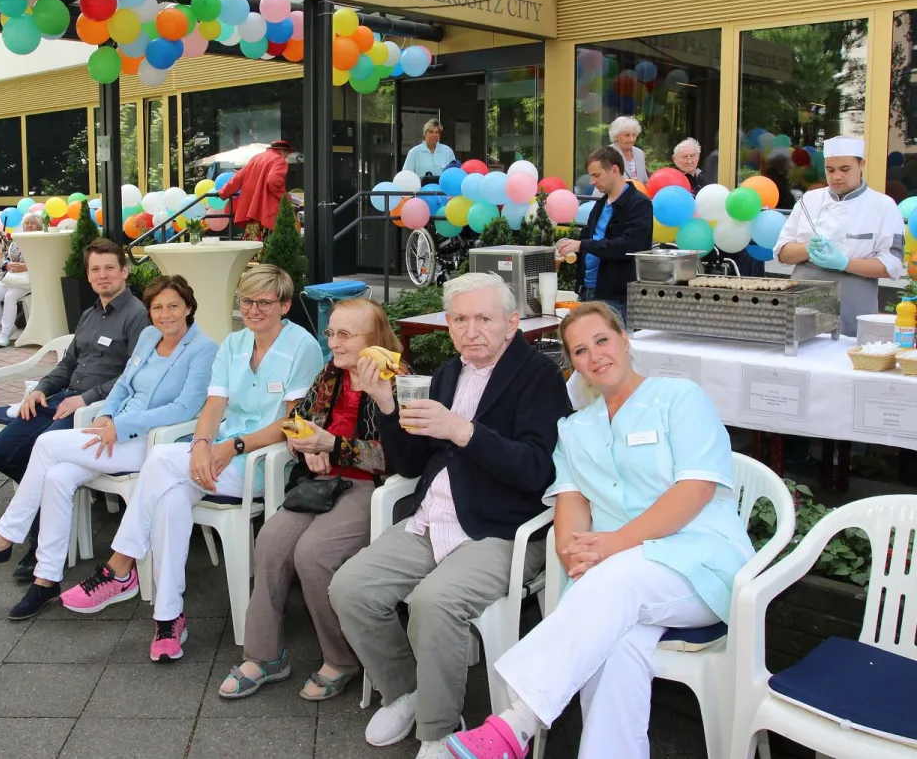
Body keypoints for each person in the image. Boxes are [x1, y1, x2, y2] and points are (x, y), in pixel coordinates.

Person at [446, 302, 754, 759]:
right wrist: (574, 552)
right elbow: (571, 501)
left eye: (602, 341)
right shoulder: (574, 430)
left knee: (616, 578)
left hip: (701, 568)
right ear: (574, 365)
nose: (595, 356)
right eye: (581, 351)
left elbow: (695, 490)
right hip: (618, 579)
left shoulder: (679, 399)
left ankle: (517, 723)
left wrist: (611, 547)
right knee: (618, 650)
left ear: (625, 339)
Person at [328, 273, 572, 759]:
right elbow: (414, 463)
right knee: (350, 588)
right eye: (460, 319)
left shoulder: (538, 378)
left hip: (499, 527)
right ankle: (407, 690)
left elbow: (537, 471)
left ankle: (438, 731)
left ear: (512, 323)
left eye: (484, 318)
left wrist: (463, 431)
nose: (471, 329)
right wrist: (385, 405)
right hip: (433, 516)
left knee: (434, 602)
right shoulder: (446, 373)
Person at [59, 264, 324, 662]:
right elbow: (214, 404)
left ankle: (119, 567)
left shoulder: (301, 347)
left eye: (264, 302)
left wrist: (230, 446)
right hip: (216, 454)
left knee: (162, 456)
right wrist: (202, 444)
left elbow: (292, 423)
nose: (253, 310)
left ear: (284, 305)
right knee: (169, 502)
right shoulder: (234, 345)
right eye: (246, 301)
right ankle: (169, 620)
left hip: (260, 463)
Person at [0, 275, 217, 620]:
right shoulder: (149, 336)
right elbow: (122, 384)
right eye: (158, 307)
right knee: (56, 477)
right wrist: (105, 415)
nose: (165, 314)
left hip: (151, 442)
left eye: (173, 306)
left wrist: (122, 425)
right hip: (113, 432)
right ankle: (46, 580)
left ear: (189, 307)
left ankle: (1, 538)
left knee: (46, 443)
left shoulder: (204, 350)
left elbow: (186, 409)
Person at [218, 298, 404, 702]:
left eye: (344, 335)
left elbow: (395, 456)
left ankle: (342, 659)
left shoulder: (394, 381)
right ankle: (264, 656)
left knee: (314, 553)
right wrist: (307, 444)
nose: (333, 342)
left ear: (373, 339)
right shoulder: (330, 375)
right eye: (331, 332)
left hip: (369, 489)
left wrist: (333, 447)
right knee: (270, 542)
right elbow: (296, 419)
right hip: (320, 483)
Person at [0, 238, 150, 581]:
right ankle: (42, 512)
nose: (102, 276)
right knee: (0, 451)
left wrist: (87, 399)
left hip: (94, 410)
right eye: (95, 270)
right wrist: (42, 389)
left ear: (124, 271)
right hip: (61, 401)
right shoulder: (89, 314)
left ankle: (37, 545)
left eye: (109, 268)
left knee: (42, 458)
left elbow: (136, 374)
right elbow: (69, 362)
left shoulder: (138, 317)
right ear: (88, 276)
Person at [774, 135, 906, 335]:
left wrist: (844, 262)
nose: (836, 177)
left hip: (853, 302)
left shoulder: (884, 206)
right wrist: (807, 248)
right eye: (830, 170)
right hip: (802, 300)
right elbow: (782, 253)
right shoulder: (809, 200)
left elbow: (892, 266)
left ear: (861, 164)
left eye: (845, 169)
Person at [556, 147, 653, 321]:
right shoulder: (600, 204)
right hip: (587, 290)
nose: (592, 181)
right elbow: (589, 237)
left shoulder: (639, 204)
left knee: (612, 346)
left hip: (614, 295)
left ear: (615, 170)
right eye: (591, 175)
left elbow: (630, 246)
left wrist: (582, 245)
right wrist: (571, 246)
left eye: (597, 175)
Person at [0, 212, 42, 347]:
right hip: (11, 277)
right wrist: (7, 264)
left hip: (29, 279)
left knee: (10, 296)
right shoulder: (17, 240)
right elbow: (4, 258)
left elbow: (44, 261)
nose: (29, 226)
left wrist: (26, 266)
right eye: (27, 223)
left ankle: (4, 334)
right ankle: (3, 327)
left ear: (39, 226)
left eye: (33, 223)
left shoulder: (41, 240)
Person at [219, 140, 294, 239]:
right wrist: (285, 197)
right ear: (282, 151)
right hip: (267, 211)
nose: (286, 157)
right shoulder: (279, 160)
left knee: (252, 245)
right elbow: (273, 181)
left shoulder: (256, 158)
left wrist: (223, 192)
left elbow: (237, 178)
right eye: (287, 155)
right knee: (270, 244)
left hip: (251, 211)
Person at [609, 116, 647, 184]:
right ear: (616, 136)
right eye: (627, 135)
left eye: (634, 135)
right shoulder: (608, 154)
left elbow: (645, 181)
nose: (632, 139)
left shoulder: (640, 153)